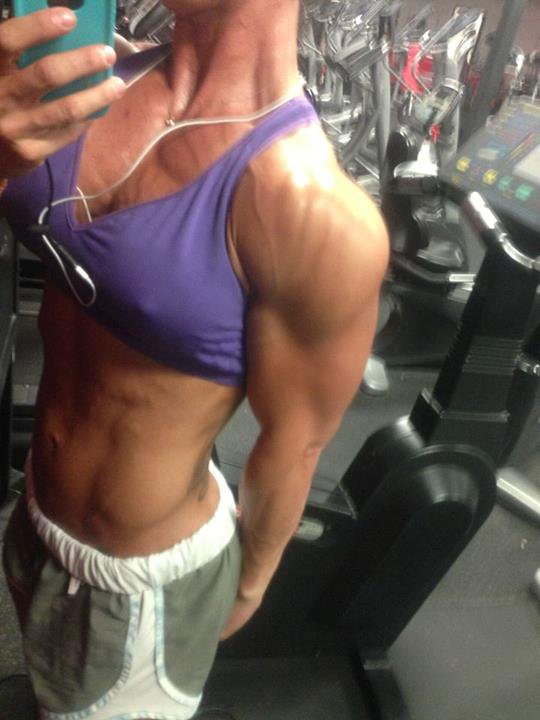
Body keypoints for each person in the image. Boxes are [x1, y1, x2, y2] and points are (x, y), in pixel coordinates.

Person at [0, 2, 389, 719]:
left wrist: (247, 588)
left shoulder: (313, 211)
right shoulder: (89, 79)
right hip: (31, 517)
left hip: (138, 587)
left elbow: (294, 444)